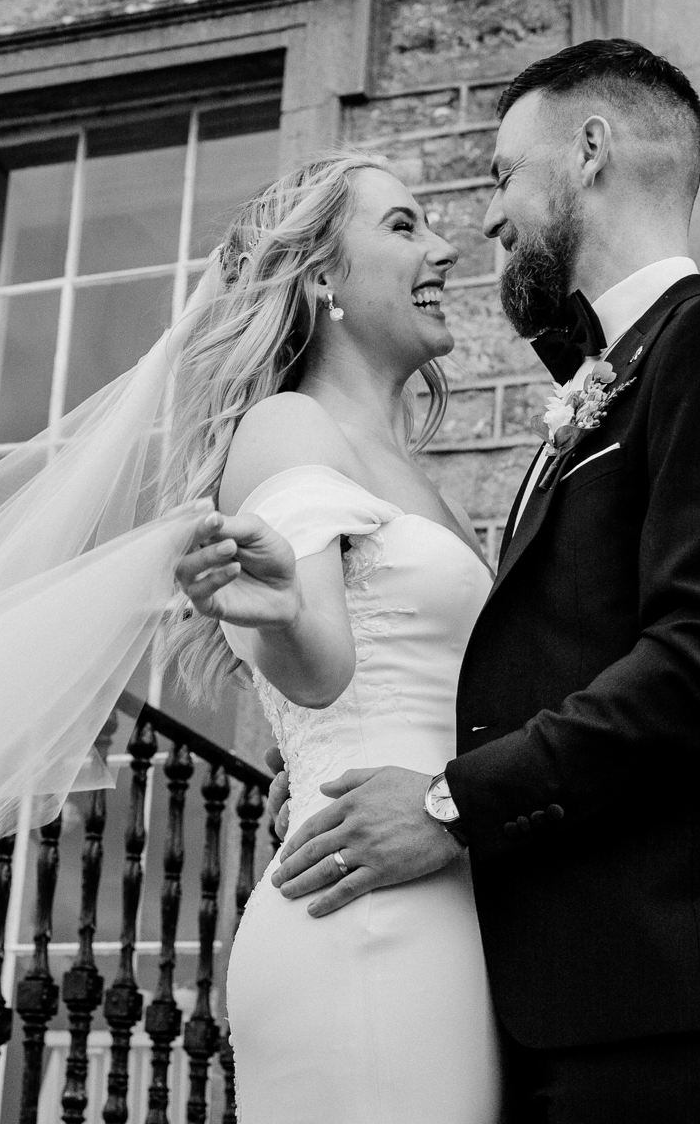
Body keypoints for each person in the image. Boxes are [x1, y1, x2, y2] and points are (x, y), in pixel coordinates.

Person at [177, 40, 700, 1123]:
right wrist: (323, 725)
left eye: (503, 171)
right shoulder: (585, 398)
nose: (485, 224)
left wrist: (444, 795)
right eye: (409, 222)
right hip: (537, 973)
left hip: (670, 992)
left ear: (589, 150)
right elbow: (384, 658)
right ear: (321, 275)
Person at [161, 148, 503, 1121]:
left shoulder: (418, 475)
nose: (443, 248)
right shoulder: (289, 426)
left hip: (448, 897)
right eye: (403, 225)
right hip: (366, 913)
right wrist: (267, 617)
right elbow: (321, 665)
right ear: (320, 275)